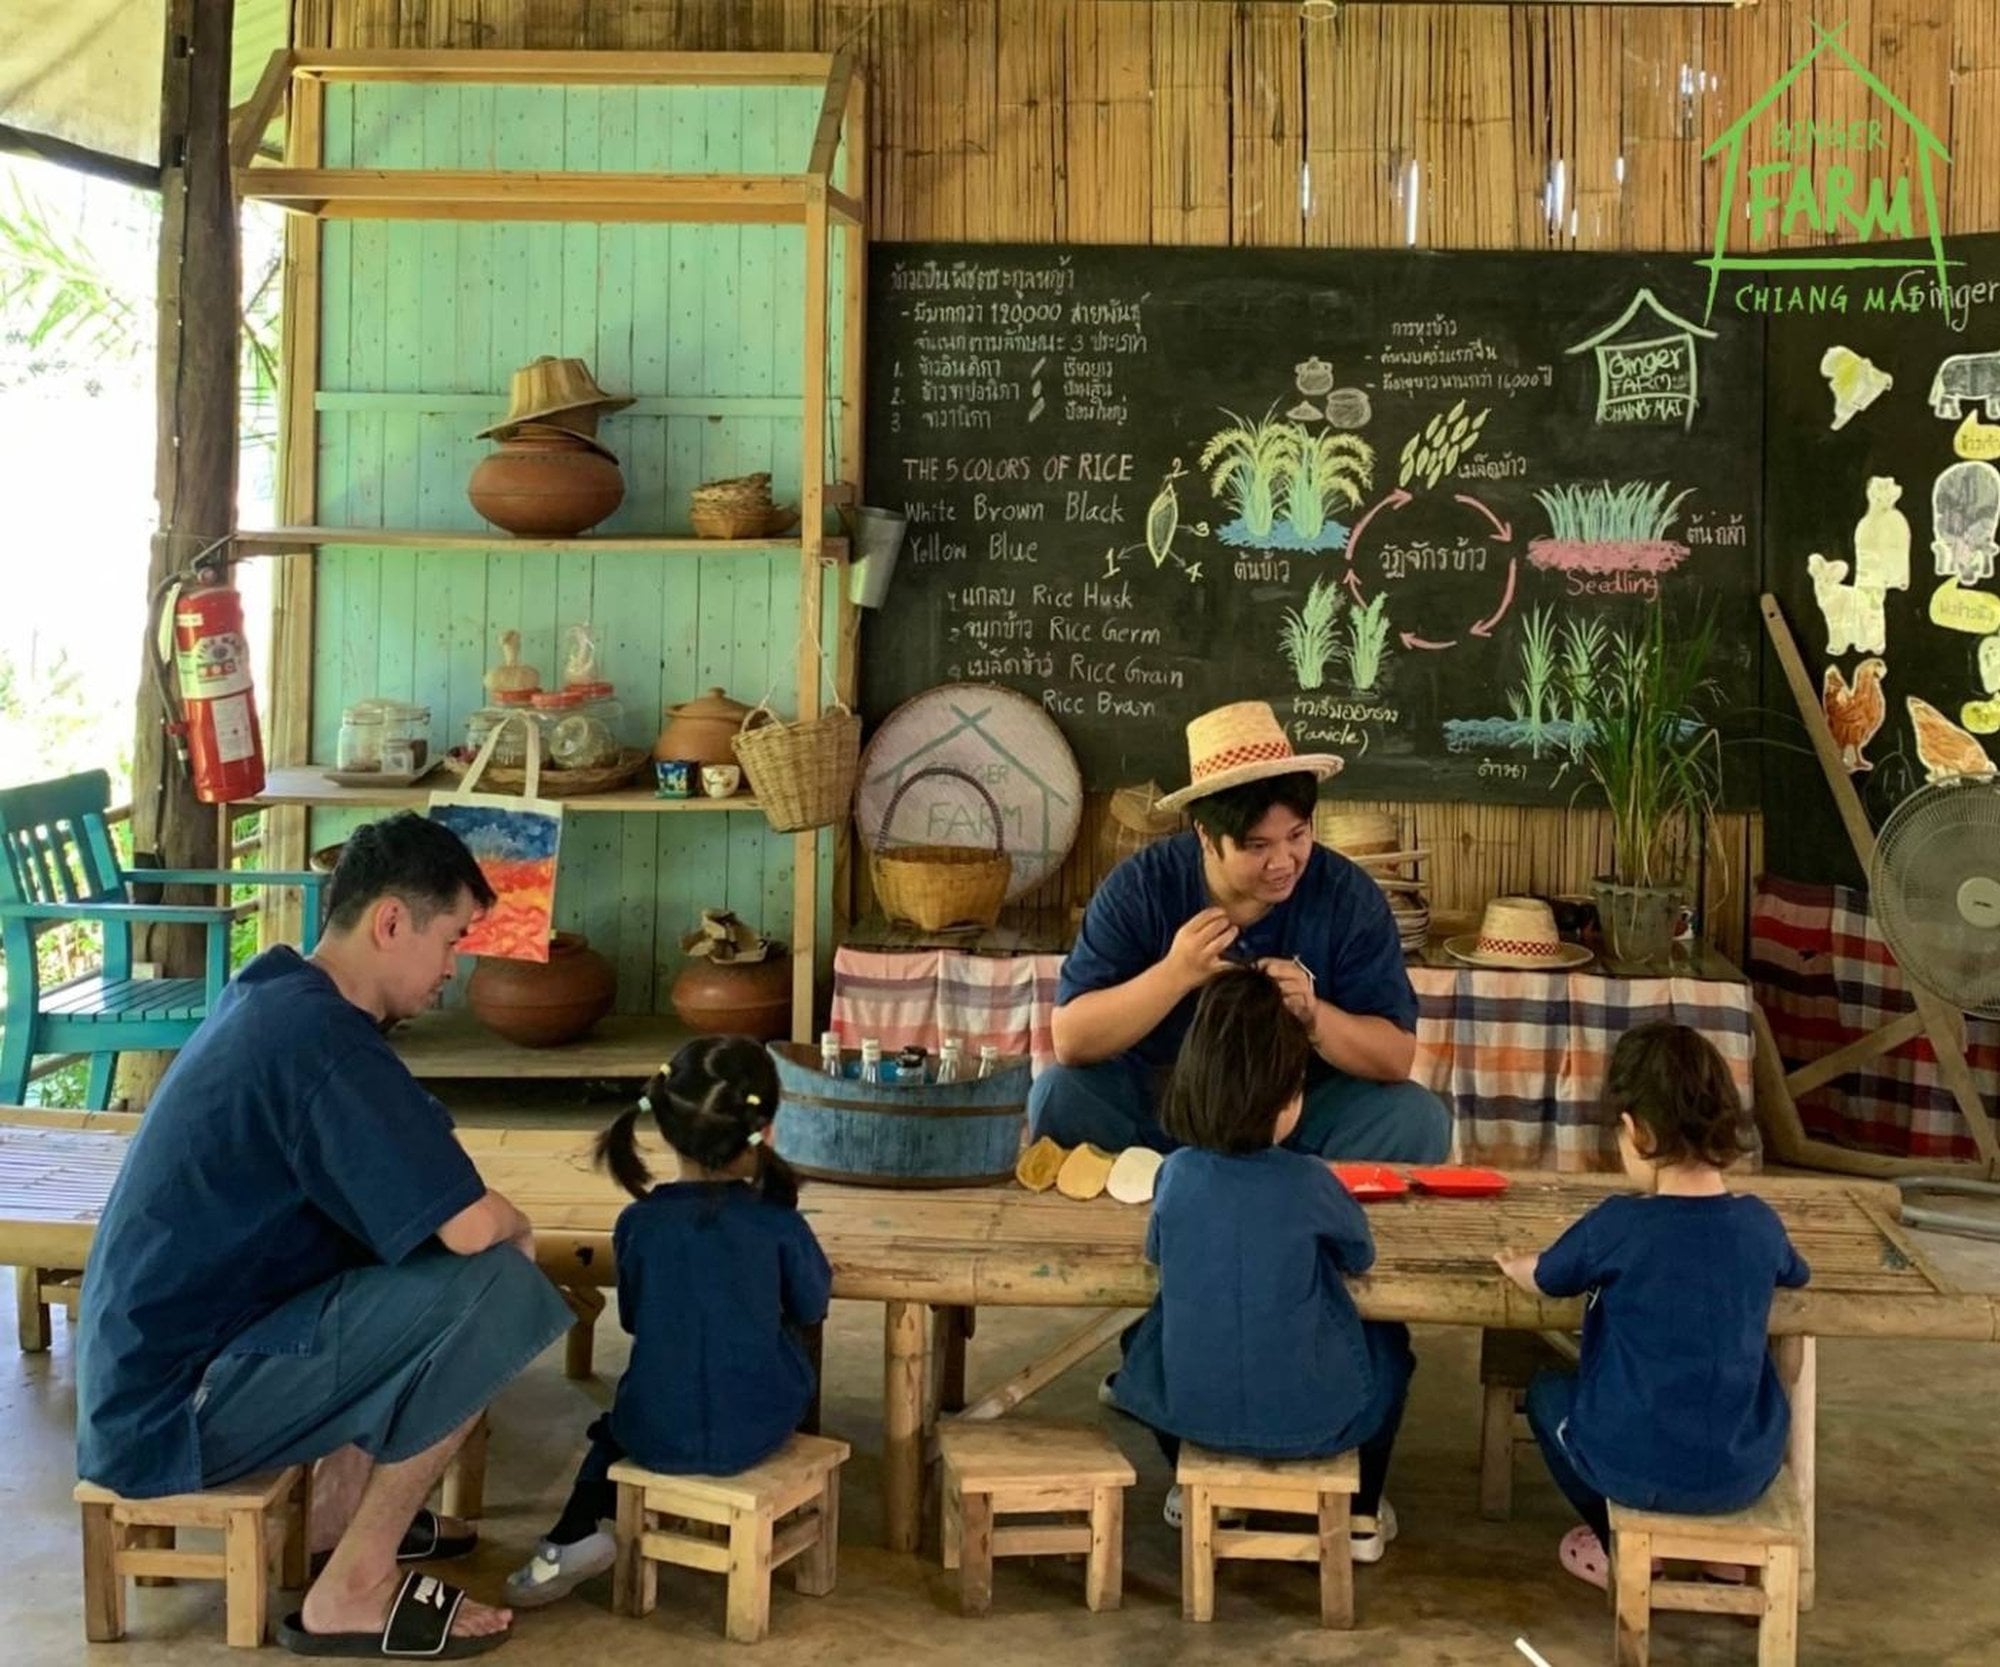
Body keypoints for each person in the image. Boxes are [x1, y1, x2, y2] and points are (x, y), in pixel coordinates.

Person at [76, 812, 574, 1660]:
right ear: (391, 921)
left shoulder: (277, 992)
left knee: (396, 1241)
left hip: (151, 1384)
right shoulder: (319, 1039)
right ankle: (352, 1588)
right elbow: (468, 1224)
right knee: (499, 1280)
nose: (451, 970)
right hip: (171, 1414)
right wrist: (519, 1226)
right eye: (451, 940)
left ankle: (338, 1524)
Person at [1030, 700, 1449, 1162]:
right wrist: (1174, 974)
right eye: (1257, 846)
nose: (1283, 862)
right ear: (1206, 836)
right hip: (1165, 1106)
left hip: (1295, 1111)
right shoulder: (1141, 888)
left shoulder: (1348, 898)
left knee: (1415, 1118)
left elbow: (1395, 1056)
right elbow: (1070, 1041)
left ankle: (1303, 1192)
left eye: (1297, 835)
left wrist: (1314, 1016)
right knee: (1059, 1094)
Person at [505, 1036, 831, 1608]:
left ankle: (571, 1536)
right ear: (766, 1130)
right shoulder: (779, 1225)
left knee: (614, 1428)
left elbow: (635, 1318)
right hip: (762, 1419)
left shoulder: (639, 1222)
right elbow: (811, 1305)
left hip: (653, 1428)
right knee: (782, 1351)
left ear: (664, 1129)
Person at [1107, 966, 1414, 1557]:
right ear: (1288, 1097)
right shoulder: (1311, 1180)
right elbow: (1361, 1253)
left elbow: (1156, 1252)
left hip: (1193, 1411)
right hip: (1313, 1417)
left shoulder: (1176, 1174)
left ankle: (1199, 1484)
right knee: (1390, 1348)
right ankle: (1360, 1511)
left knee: (1139, 1341)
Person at [1495, 1022, 1811, 1589]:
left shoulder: (1619, 1224)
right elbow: (1796, 1272)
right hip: (1745, 1470)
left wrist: (1517, 1266)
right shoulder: (1760, 1224)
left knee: (1546, 1393)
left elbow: (1546, 1278)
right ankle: (1722, 1554)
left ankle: (1622, 1548)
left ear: (1636, 1132)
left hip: (1636, 1469)